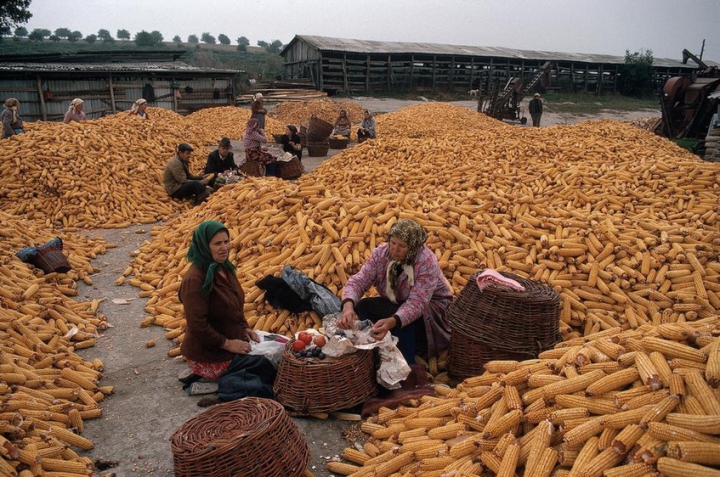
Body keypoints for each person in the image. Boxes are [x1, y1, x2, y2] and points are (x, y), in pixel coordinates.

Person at [179, 221, 275, 402]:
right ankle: (218, 386)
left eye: (226, 242)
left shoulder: (224, 268)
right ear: (203, 245)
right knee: (263, 373)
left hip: (228, 340)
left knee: (273, 361)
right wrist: (228, 343)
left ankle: (225, 381)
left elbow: (234, 306)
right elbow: (198, 325)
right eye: (217, 244)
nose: (224, 248)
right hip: (210, 352)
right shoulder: (195, 279)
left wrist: (244, 328)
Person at [338, 219, 453, 364]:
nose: (394, 249)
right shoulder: (381, 253)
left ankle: (405, 365)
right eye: (392, 243)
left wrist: (392, 321)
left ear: (413, 247)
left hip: (430, 308)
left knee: (405, 324)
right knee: (362, 306)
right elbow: (359, 280)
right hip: (397, 302)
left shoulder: (426, 262)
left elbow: (417, 303)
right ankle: (366, 352)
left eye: (402, 246)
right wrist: (348, 306)